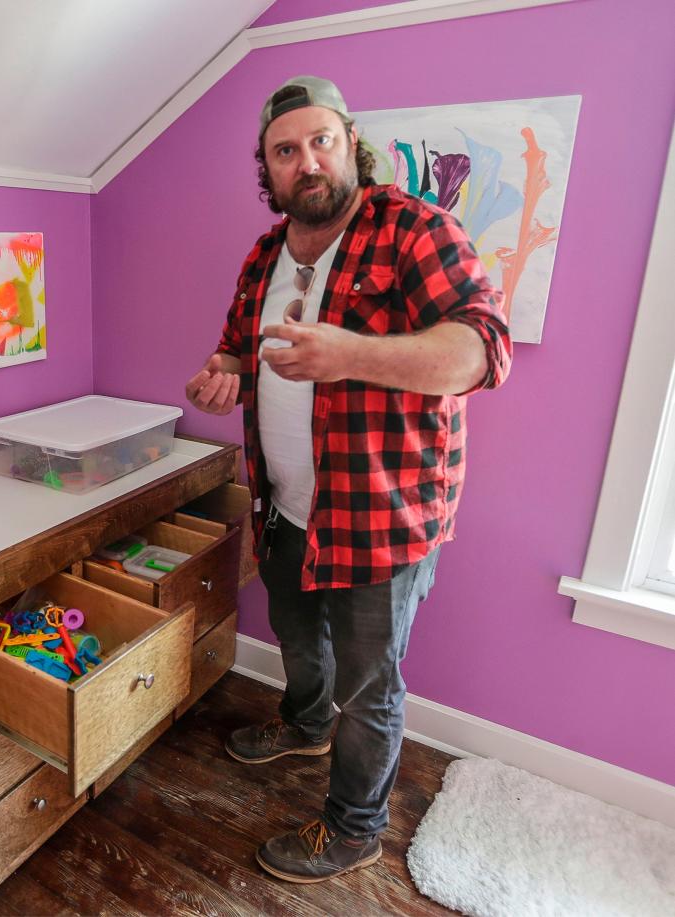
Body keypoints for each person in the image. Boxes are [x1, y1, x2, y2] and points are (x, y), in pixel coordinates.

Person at [185, 75, 511, 883]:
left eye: (320, 140)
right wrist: (220, 373)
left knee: (369, 685)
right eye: (285, 150)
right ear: (267, 168)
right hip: (285, 505)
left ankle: (355, 825)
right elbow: (233, 345)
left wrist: (350, 353)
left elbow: (481, 352)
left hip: (383, 515)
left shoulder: (413, 230)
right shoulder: (264, 253)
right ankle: (301, 723)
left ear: (348, 141)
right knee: (299, 640)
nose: (307, 161)